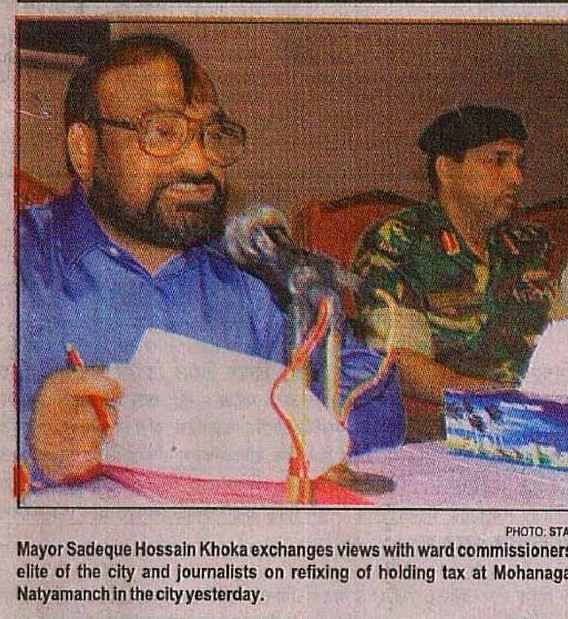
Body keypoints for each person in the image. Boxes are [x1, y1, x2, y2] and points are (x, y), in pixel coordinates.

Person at [19, 34, 404, 487]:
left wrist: (307, 427)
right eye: (163, 132)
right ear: (85, 149)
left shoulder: (252, 271)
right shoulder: (22, 261)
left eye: (213, 136)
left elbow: (373, 393)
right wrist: (28, 439)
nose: (200, 162)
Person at [353, 105, 553, 405]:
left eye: (518, 163)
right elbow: (400, 363)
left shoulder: (529, 244)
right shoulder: (399, 243)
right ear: (446, 169)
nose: (516, 177)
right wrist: (502, 401)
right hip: (451, 417)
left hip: (546, 411)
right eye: (498, 160)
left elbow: (563, 334)